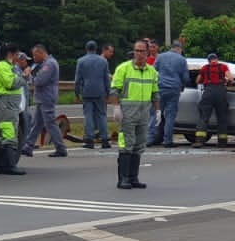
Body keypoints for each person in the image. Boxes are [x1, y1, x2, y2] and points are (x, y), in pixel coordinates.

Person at [110, 41, 158, 189]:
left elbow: (155, 93)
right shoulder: (123, 69)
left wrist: (158, 111)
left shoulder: (152, 71)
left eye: (142, 51)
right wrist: (116, 107)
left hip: (143, 113)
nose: (139, 54)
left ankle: (133, 177)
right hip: (128, 113)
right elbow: (114, 90)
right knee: (126, 144)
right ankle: (123, 178)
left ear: (147, 53)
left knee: (139, 145)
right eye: (137, 50)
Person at [22, 43, 67, 157]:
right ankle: (28, 146)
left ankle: (60, 147)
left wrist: (28, 76)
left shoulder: (49, 64)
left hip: (46, 97)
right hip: (42, 97)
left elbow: (39, 81)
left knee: (50, 123)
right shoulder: (44, 64)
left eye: (35, 55)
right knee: (37, 123)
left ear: (40, 53)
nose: (34, 58)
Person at [0, 42, 28, 175]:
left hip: (9, 103)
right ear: (10, 54)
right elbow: (10, 83)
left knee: (5, 133)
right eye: (16, 54)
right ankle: (9, 165)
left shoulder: (8, 66)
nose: (18, 57)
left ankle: (1, 166)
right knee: (9, 132)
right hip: (7, 103)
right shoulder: (3, 66)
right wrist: (24, 76)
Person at [153, 39, 190, 147]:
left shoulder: (160, 57)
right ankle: (167, 141)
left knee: (156, 113)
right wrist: (183, 86)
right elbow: (186, 78)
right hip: (173, 89)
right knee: (170, 116)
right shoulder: (182, 59)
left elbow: (153, 70)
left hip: (159, 87)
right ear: (179, 49)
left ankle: (151, 138)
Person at [74, 40, 110, 149]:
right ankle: (104, 139)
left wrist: (77, 92)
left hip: (87, 90)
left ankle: (89, 138)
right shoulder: (103, 61)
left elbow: (77, 79)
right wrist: (107, 92)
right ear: (96, 49)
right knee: (102, 115)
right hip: (100, 90)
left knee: (88, 115)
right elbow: (106, 79)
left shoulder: (81, 61)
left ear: (86, 49)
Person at [196, 52, 231, 146]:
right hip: (220, 91)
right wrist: (227, 83)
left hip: (209, 91)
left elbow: (197, 80)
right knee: (222, 117)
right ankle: (222, 142)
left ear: (209, 60)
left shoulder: (204, 68)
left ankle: (199, 141)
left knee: (204, 116)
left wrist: (204, 80)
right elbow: (231, 78)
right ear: (217, 59)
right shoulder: (223, 67)